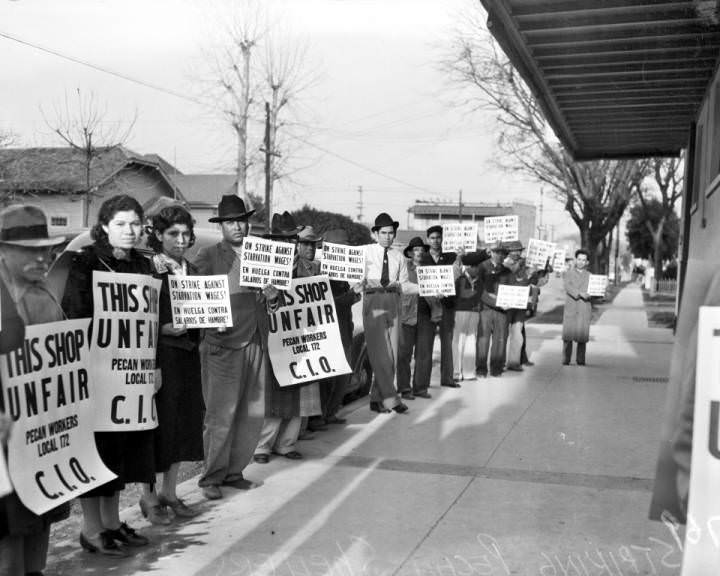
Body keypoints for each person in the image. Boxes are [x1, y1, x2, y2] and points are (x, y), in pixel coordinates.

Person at [62, 194, 154, 555]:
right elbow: (76, 315)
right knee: (96, 451)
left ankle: (113, 523)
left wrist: (154, 366)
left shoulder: (143, 267)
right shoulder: (85, 264)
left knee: (123, 451)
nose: (130, 231)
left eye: (134, 224)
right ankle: (91, 528)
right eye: (121, 224)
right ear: (103, 227)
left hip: (131, 375)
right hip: (96, 372)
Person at [192, 195, 278, 499]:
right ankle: (211, 477)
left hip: (256, 338)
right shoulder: (208, 255)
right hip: (223, 343)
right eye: (231, 222)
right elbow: (192, 294)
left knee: (251, 412)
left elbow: (275, 298)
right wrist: (208, 322)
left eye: (242, 220)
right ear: (222, 226)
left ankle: (234, 471)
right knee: (220, 414)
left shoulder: (262, 254)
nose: (238, 226)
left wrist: (272, 294)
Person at [0, 205, 67, 576]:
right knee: (9, 533)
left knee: (41, 518)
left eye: (48, 248)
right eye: (30, 249)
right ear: (3, 250)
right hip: (5, 435)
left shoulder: (46, 297)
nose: (43, 257)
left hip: (42, 431)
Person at [138, 205, 204, 523]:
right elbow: (137, 318)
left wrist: (211, 320)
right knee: (156, 424)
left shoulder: (193, 271)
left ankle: (170, 491)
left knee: (181, 424)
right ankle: (148, 496)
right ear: (159, 235)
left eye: (185, 234)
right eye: (173, 234)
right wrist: (161, 328)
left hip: (188, 354)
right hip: (158, 354)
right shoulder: (149, 269)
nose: (180, 240)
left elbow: (204, 311)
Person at [363, 213, 416, 414]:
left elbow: (405, 285)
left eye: (391, 233)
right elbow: (347, 271)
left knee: (392, 355)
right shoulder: (365, 252)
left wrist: (426, 288)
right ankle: (391, 399)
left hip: (393, 301)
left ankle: (376, 398)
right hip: (373, 300)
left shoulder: (399, 256)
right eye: (383, 233)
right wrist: (356, 284)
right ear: (375, 233)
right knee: (380, 355)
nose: (387, 237)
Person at [320, 229, 362, 423]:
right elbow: (330, 303)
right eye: (340, 248)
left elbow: (343, 302)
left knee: (342, 375)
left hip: (344, 330)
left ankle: (331, 412)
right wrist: (352, 295)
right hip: (329, 334)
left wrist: (355, 294)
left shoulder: (342, 275)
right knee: (328, 379)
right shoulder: (323, 275)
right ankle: (322, 415)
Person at [419, 225, 462, 388]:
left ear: (442, 239)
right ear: (427, 239)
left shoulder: (451, 256)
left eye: (438, 237)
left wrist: (460, 258)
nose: (435, 240)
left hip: (446, 304)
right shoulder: (422, 258)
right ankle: (422, 382)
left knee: (447, 343)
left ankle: (448, 378)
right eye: (432, 238)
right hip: (427, 306)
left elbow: (457, 274)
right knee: (425, 344)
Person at [397, 236, 431, 400]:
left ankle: (421, 388)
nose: (419, 252)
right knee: (404, 353)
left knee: (423, 353)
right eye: (416, 249)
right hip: (406, 314)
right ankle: (404, 388)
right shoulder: (403, 268)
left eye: (422, 250)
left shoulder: (430, 269)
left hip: (426, 313)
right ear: (410, 253)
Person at [476, 242, 511, 377]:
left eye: (503, 253)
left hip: (502, 311)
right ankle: (481, 369)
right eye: (497, 252)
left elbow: (514, 288)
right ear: (491, 252)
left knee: (500, 339)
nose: (500, 255)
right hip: (485, 308)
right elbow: (480, 290)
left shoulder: (507, 271)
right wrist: (496, 302)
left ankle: (496, 368)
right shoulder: (482, 267)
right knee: (483, 339)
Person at [452, 251, 486, 381]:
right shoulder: (461, 278)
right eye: (474, 266)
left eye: (478, 266)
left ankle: (468, 372)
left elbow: (478, 293)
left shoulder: (478, 279)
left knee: (471, 340)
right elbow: (464, 294)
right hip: (460, 310)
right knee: (458, 341)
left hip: (474, 311)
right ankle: (456, 372)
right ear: (467, 267)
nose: (477, 269)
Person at [562, 249, 592, 366]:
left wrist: (594, 293)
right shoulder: (568, 273)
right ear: (575, 260)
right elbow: (567, 287)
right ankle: (566, 359)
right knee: (568, 335)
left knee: (582, 335)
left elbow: (593, 290)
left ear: (587, 262)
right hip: (572, 305)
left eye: (583, 260)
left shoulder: (590, 276)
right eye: (579, 259)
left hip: (584, 307)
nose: (581, 262)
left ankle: (580, 359)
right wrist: (580, 293)